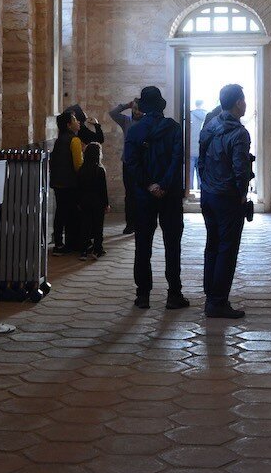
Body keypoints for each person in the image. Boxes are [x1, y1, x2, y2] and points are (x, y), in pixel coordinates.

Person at [123, 86, 188, 310]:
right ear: (161, 105)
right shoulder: (174, 128)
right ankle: (174, 294)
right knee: (172, 244)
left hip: (144, 195)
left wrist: (149, 184)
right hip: (170, 195)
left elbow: (131, 163)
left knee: (143, 244)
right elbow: (177, 160)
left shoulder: (135, 131)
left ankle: (143, 295)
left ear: (143, 107)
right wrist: (164, 184)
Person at [198, 83, 253, 319]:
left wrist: (206, 184)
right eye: (244, 100)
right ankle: (218, 302)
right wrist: (242, 194)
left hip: (209, 194)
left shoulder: (210, 125)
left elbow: (201, 161)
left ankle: (211, 295)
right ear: (238, 103)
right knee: (227, 250)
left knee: (212, 245)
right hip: (227, 197)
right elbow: (241, 169)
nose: (245, 104)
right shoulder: (239, 133)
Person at [49, 110, 84, 254]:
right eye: (75, 120)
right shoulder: (74, 140)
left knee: (60, 212)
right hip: (70, 183)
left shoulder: (60, 139)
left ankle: (58, 243)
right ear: (69, 125)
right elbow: (78, 165)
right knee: (71, 213)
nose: (78, 122)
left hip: (58, 182)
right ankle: (71, 243)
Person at [109, 99, 140, 233]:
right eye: (135, 109)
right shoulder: (127, 121)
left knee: (141, 194)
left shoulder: (147, 123)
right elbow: (113, 113)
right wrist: (126, 105)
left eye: (139, 109)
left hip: (142, 163)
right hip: (128, 163)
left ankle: (140, 223)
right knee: (130, 194)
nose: (137, 112)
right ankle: (130, 224)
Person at [78, 142, 108, 260]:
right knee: (98, 226)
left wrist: (79, 202)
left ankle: (83, 251)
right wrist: (106, 204)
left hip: (85, 202)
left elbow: (79, 188)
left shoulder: (82, 169)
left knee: (85, 226)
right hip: (97, 202)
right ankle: (97, 249)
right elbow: (103, 189)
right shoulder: (99, 170)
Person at [189, 99, 208, 191]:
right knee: (201, 174)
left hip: (190, 149)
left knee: (189, 175)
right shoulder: (207, 116)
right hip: (202, 149)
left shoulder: (189, 116)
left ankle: (189, 192)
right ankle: (202, 192)